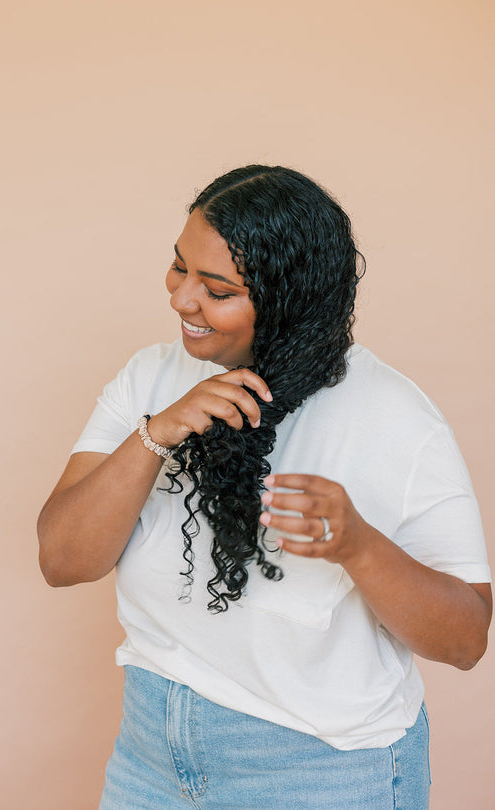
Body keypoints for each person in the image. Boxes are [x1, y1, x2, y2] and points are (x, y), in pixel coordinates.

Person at [37, 165, 492, 810]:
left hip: (318, 771)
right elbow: (62, 560)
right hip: (152, 752)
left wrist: (360, 548)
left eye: (217, 288)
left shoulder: (394, 419)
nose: (180, 299)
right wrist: (155, 436)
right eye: (178, 266)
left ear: (288, 297)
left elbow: (467, 639)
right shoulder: (149, 379)